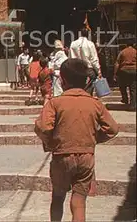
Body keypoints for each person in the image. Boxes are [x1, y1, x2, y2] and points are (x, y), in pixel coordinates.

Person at [34, 58, 119, 222]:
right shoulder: (95, 103)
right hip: (86, 156)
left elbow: (43, 127)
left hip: (61, 156)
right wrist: (93, 138)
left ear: (62, 80)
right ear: (87, 80)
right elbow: (113, 129)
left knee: (58, 197)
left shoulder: (55, 103)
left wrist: (51, 142)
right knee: (79, 200)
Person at [69, 27, 101, 96]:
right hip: (88, 70)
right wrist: (98, 71)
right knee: (88, 90)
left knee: (77, 89)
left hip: (76, 70)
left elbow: (70, 58)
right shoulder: (90, 44)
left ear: (80, 34)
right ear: (88, 35)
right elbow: (94, 59)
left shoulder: (73, 44)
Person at [114, 42, 137, 110]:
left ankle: (125, 99)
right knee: (133, 88)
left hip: (124, 71)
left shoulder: (122, 52)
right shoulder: (135, 51)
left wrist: (115, 74)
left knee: (122, 85)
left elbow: (117, 63)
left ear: (126, 45)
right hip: (134, 71)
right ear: (133, 45)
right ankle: (133, 105)